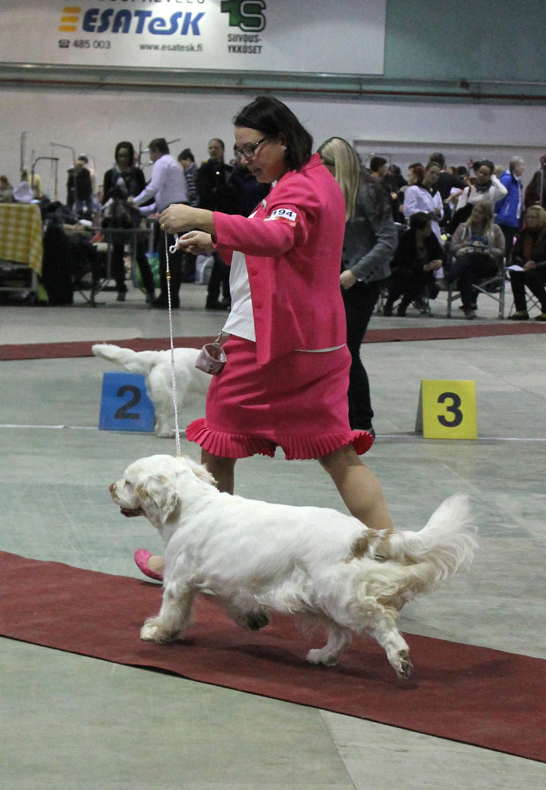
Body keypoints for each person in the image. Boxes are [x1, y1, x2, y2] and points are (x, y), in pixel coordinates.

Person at [137, 96, 393, 580]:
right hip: (317, 344)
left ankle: (192, 557)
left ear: (282, 139)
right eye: (239, 150)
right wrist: (218, 241)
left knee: (217, 445)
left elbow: (277, 239)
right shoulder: (308, 180)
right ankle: (395, 555)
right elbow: (279, 242)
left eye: (252, 148)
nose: (245, 159)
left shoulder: (298, 190)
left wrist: (202, 217)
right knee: (338, 454)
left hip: (266, 344)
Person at [318, 137, 397, 434]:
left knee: (349, 351)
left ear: (339, 164)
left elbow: (388, 240)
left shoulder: (368, 191)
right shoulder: (333, 190)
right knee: (333, 352)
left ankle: (362, 422)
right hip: (335, 280)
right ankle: (338, 416)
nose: (322, 171)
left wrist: (355, 273)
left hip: (361, 282)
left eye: (326, 165)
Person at [131, 138, 189, 309]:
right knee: (172, 257)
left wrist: (134, 202)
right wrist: (139, 210)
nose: (150, 157)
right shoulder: (172, 164)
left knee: (169, 258)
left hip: (173, 212)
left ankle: (168, 298)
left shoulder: (161, 163)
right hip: (178, 210)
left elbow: (153, 187)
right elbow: (158, 203)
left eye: (150, 152)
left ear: (155, 150)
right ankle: (170, 296)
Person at [101, 141, 152, 302]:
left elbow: (144, 197)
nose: (123, 159)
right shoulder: (110, 174)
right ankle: (120, 288)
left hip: (134, 219)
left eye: (126, 156)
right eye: (120, 155)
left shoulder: (138, 174)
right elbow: (105, 200)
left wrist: (143, 218)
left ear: (131, 157)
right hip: (116, 220)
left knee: (140, 256)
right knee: (116, 254)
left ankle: (150, 291)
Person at [197, 138, 238, 310]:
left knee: (225, 260)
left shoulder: (230, 170)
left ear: (222, 149)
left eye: (216, 147)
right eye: (210, 148)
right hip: (209, 219)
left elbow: (234, 193)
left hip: (225, 218)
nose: (213, 150)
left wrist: (219, 191)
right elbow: (205, 193)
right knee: (219, 260)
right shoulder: (204, 170)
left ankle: (224, 296)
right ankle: (214, 297)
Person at [447, 200, 505, 319]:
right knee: (467, 271)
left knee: (472, 256)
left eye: (480, 212)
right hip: (466, 264)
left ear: (486, 216)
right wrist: (466, 244)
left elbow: (502, 250)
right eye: (475, 211)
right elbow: (453, 247)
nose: (476, 214)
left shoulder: (495, 229)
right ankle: (468, 308)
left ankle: (449, 277)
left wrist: (486, 249)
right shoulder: (463, 227)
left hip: (488, 263)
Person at [382, 212, 445, 316]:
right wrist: (423, 267)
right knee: (404, 276)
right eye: (428, 227)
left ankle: (404, 305)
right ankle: (389, 303)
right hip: (403, 268)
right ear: (419, 230)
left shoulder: (431, 237)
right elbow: (402, 260)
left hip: (423, 272)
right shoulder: (405, 238)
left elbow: (440, 254)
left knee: (422, 278)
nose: (430, 229)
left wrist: (439, 261)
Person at [507, 204, 546, 320]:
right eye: (527, 217)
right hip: (526, 267)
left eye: (533, 217)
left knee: (530, 275)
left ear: (541, 218)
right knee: (515, 274)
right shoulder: (523, 234)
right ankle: (521, 310)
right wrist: (523, 264)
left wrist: (535, 265)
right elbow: (515, 254)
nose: (529, 220)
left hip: (543, 268)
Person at [450, 160, 506, 232]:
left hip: (486, 230)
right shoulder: (468, 190)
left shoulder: (492, 191)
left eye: (485, 174)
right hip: (468, 229)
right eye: (480, 172)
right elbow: (459, 210)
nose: (481, 175)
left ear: (489, 176)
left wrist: (493, 178)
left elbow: (503, 192)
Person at [402, 162, 444, 243]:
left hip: (434, 230)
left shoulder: (436, 193)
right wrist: (426, 213)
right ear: (425, 172)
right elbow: (407, 210)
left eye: (437, 174)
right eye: (432, 172)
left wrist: (439, 213)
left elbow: (441, 209)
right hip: (417, 230)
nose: (434, 176)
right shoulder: (413, 190)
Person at [495, 156, 526, 263]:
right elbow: (499, 198)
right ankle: (501, 266)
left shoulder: (517, 182)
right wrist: (499, 212)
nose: (524, 168)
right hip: (505, 218)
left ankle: (505, 265)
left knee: (509, 246)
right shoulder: (507, 179)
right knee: (504, 246)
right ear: (515, 166)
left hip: (512, 219)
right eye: (522, 165)